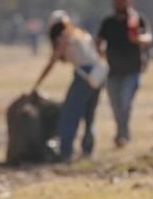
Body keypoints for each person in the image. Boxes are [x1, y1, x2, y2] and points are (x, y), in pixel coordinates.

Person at [33, 13, 104, 161]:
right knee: (89, 115)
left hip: (85, 75)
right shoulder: (82, 34)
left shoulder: (65, 37)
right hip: (99, 74)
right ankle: (87, 150)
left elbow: (52, 62)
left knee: (69, 114)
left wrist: (37, 84)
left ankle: (65, 152)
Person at [97, 0, 151, 147]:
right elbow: (99, 39)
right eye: (116, 1)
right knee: (115, 105)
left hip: (132, 70)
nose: (119, 4)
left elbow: (149, 37)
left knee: (125, 102)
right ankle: (121, 131)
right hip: (113, 71)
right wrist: (99, 49)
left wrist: (138, 40)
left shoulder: (137, 19)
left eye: (122, 1)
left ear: (128, 1)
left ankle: (122, 134)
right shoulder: (108, 22)